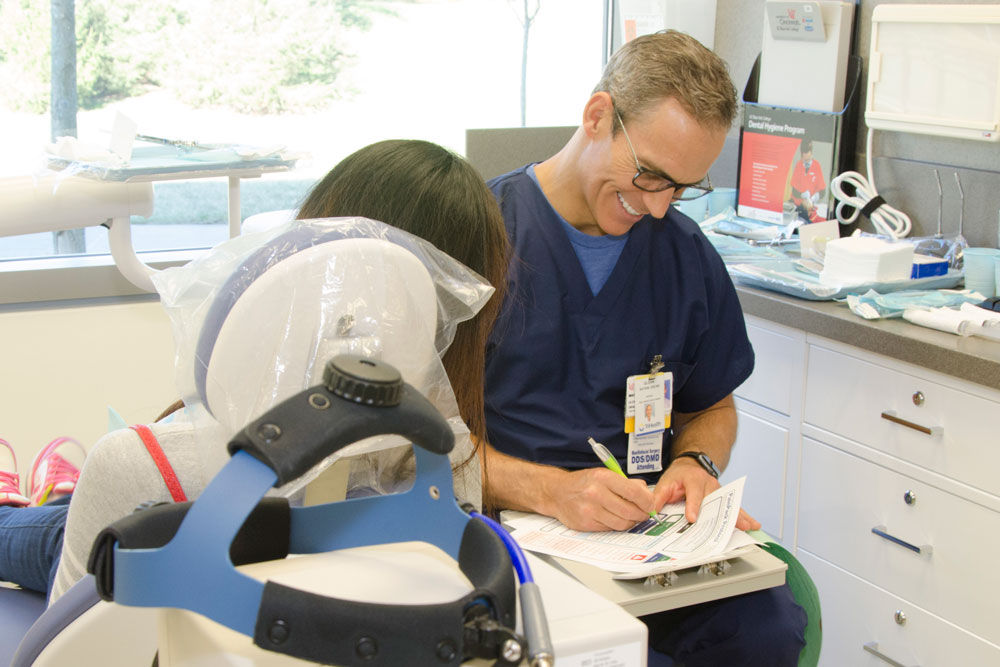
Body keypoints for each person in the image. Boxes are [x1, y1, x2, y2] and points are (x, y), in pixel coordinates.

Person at [0, 139, 508, 605]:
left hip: (132, 508)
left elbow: (62, 647)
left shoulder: (141, 466)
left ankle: (40, 494)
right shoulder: (449, 468)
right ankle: (47, 494)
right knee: (50, 522)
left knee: (44, 535)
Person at [481, 31, 807, 666]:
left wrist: (698, 467)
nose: (657, 208)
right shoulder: (480, 237)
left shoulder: (685, 258)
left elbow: (710, 407)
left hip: (641, 543)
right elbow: (424, 446)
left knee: (765, 629)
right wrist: (552, 492)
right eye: (650, 174)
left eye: (681, 189)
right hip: (507, 541)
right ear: (598, 116)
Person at [788, 138, 827, 223]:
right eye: (804, 159)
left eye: (808, 159)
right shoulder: (799, 165)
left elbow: (823, 191)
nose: (805, 161)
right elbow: (794, 191)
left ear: (811, 153)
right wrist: (802, 195)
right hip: (798, 205)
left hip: (810, 205)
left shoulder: (816, 166)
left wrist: (814, 197)